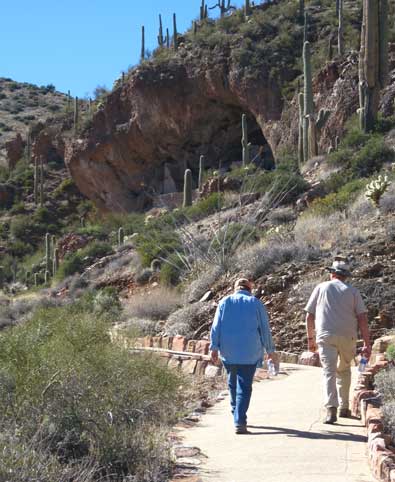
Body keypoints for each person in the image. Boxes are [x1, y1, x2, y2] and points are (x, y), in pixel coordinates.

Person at [305, 259, 371, 424]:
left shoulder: (321, 287)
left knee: (329, 372)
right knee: (344, 370)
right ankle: (344, 407)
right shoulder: (353, 292)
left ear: (332, 273)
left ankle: (331, 409)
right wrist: (367, 343)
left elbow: (309, 315)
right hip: (348, 337)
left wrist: (310, 338)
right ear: (345, 276)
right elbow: (362, 318)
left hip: (325, 336)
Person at [210, 278, 275, 434]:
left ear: (235, 289)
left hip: (228, 351)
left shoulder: (225, 302)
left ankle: (235, 411)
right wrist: (270, 350)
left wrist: (214, 347)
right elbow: (265, 329)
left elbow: (216, 326)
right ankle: (239, 420)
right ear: (249, 289)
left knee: (232, 382)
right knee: (244, 386)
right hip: (250, 351)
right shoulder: (256, 303)